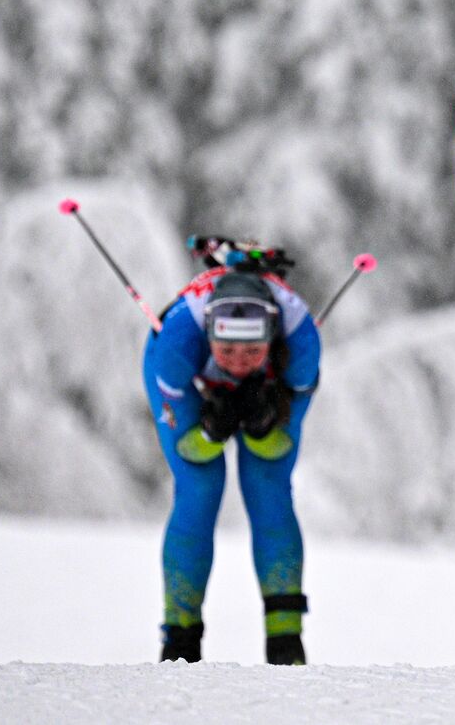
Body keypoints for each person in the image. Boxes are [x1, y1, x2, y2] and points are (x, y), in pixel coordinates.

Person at [141, 244, 321, 665]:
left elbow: (281, 445)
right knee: (199, 486)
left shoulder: (301, 345)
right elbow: (191, 450)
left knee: (267, 485)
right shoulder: (177, 346)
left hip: (275, 378)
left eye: (252, 352)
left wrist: (261, 428)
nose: (239, 363)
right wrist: (209, 431)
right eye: (226, 351)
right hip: (183, 377)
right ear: (209, 334)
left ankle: (285, 642)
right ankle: (180, 640)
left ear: (272, 336)